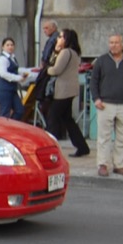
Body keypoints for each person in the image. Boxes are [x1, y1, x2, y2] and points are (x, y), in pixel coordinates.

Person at [89, 32, 123, 176]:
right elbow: (93, 82)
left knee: (122, 137)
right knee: (104, 137)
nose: (113, 45)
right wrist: (96, 99)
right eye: (111, 42)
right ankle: (102, 164)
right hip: (105, 104)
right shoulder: (101, 60)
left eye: (116, 42)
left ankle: (119, 165)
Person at [44, 28, 89, 156]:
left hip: (62, 91)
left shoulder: (65, 52)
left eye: (61, 37)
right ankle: (82, 146)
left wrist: (48, 70)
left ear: (67, 39)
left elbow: (55, 69)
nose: (58, 39)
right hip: (70, 90)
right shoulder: (74, 53)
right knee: (67, 119)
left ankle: (49, 148)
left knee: (52, 118)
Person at [0, 36, 30, 120]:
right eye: (7, 45)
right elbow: (3, 74)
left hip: (12, 89)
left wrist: (27, 72)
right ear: (3, 47)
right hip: (4, 89)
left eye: (12, 45)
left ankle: (11, 125)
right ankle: (3, 130)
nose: (10, 47)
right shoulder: (2, 59)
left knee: (20, 110)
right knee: (5, 112)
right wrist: (18, 78)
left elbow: (16, 69)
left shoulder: (12, 58)